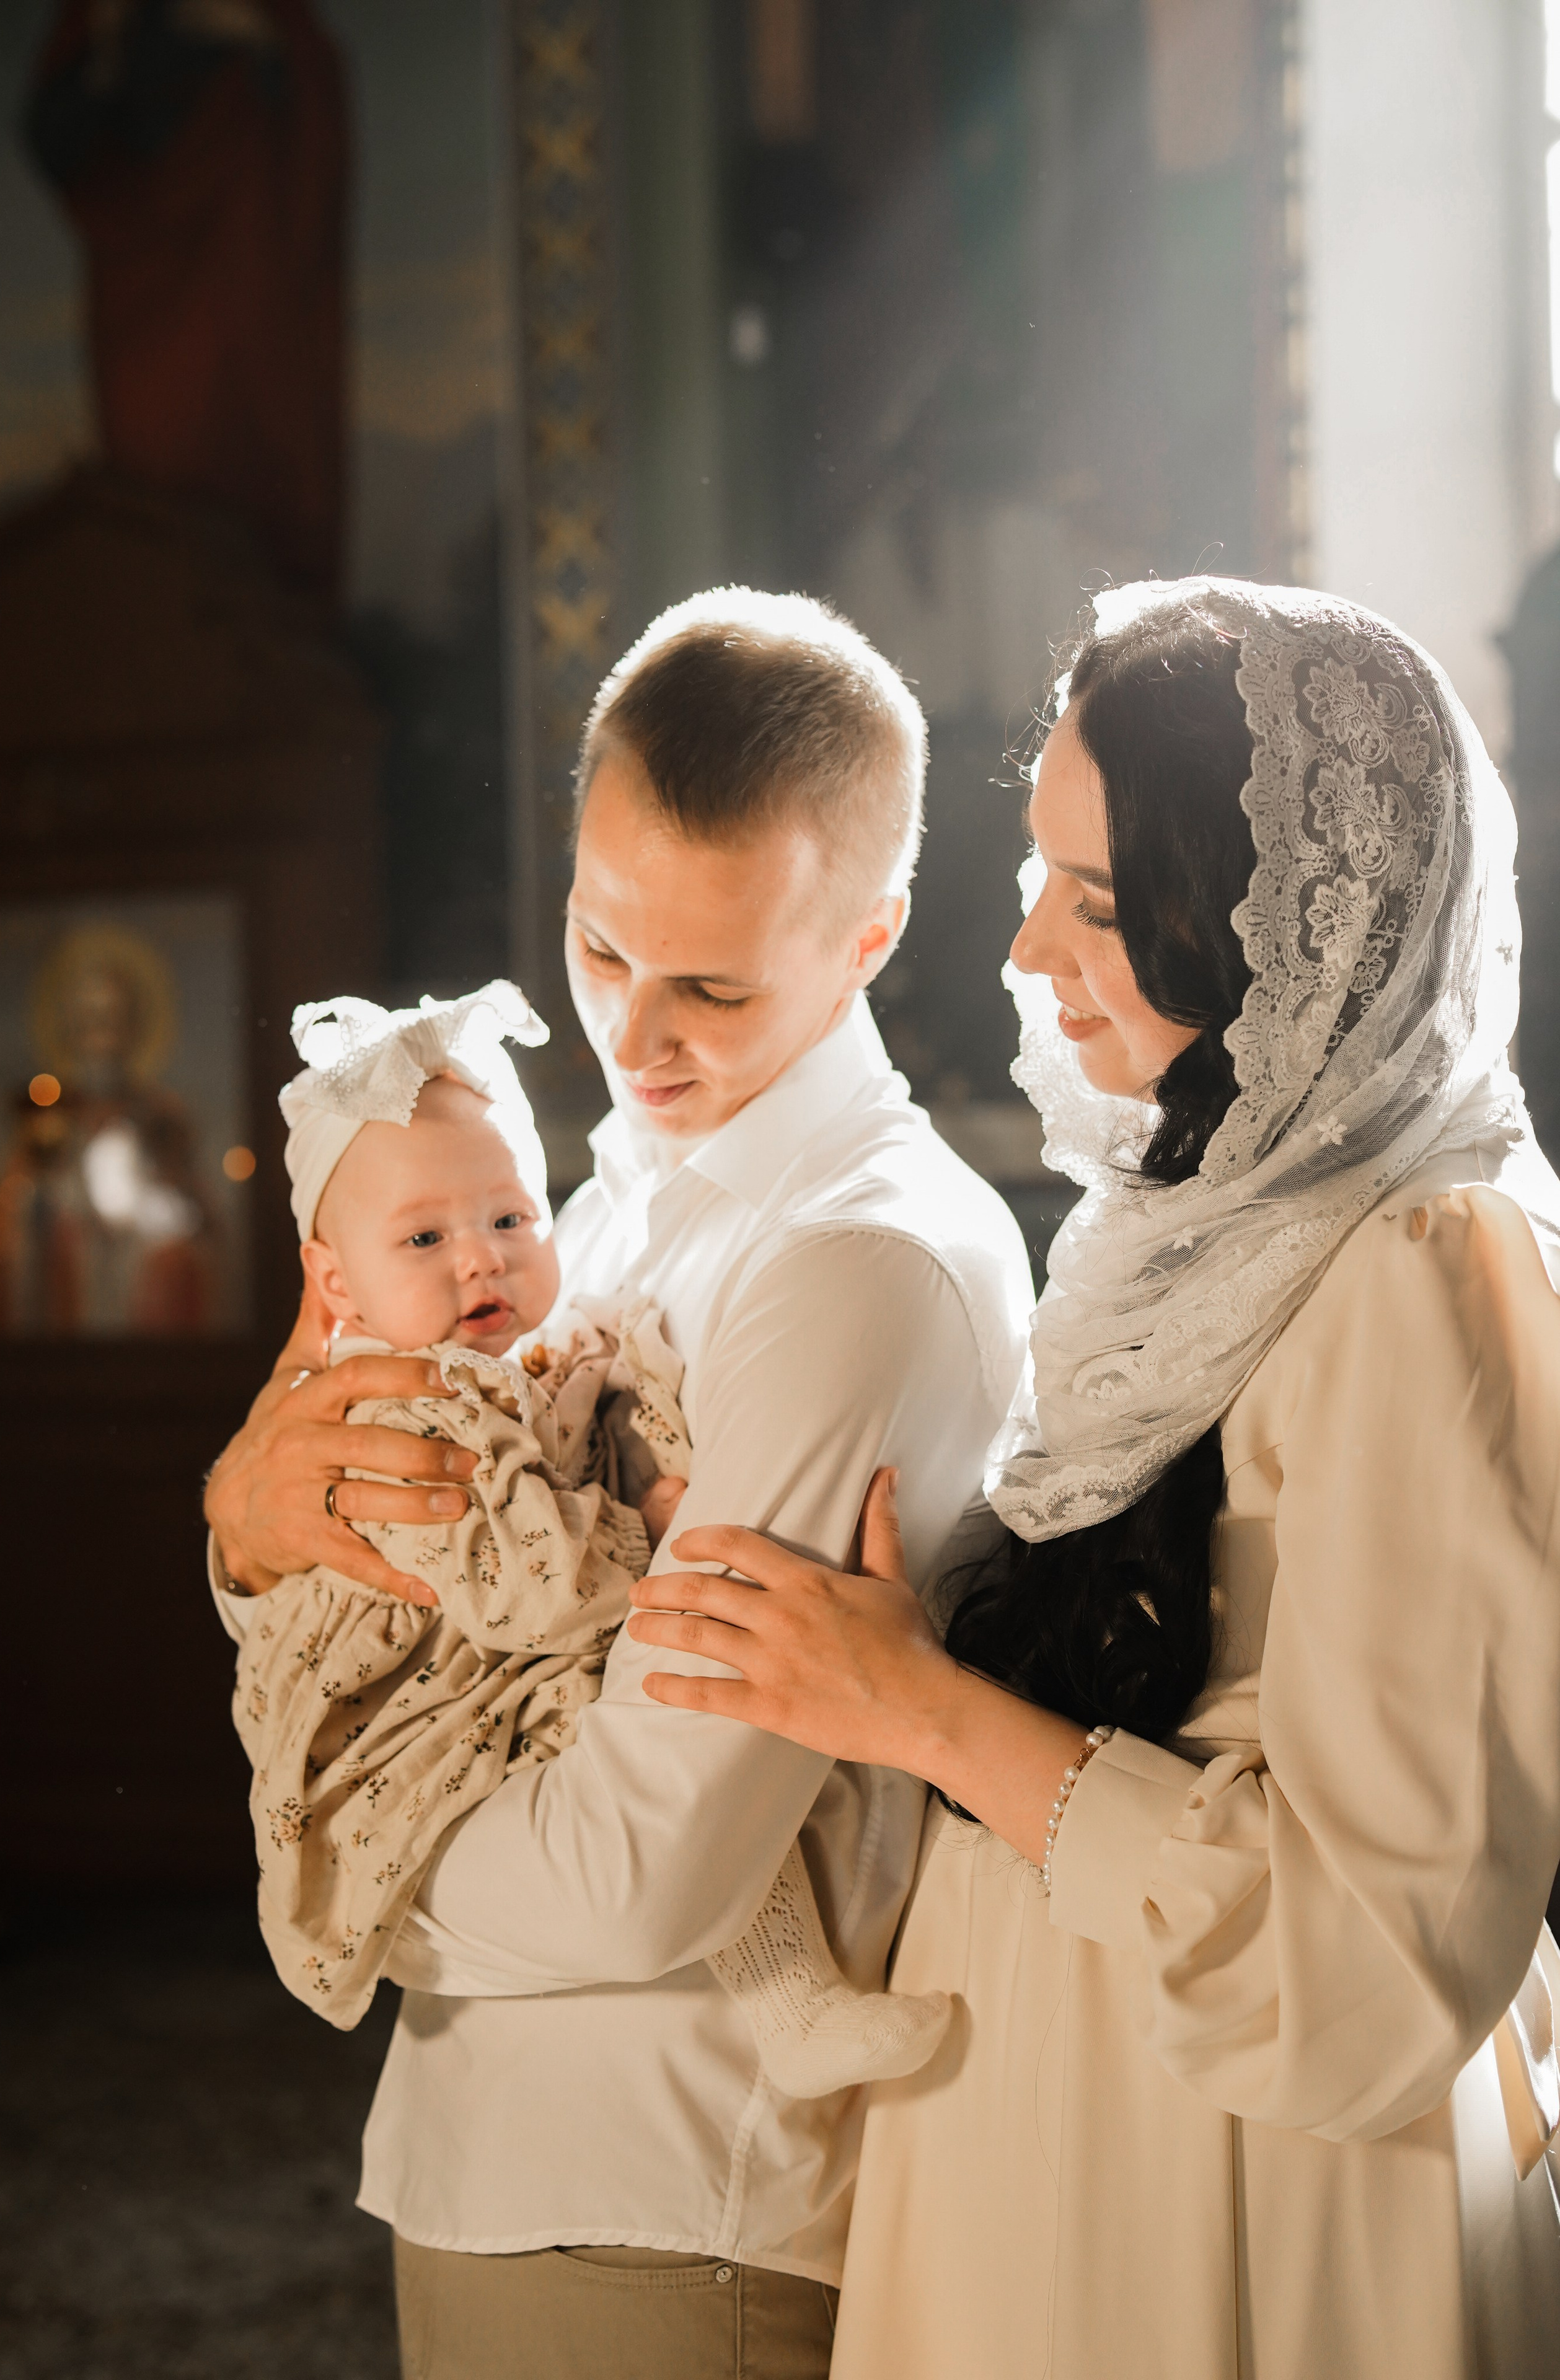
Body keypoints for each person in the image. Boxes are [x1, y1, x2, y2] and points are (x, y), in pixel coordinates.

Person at [627, 578, 1560, 2379]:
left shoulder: (1425, 1266)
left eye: (1105, 903)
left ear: (1284, 929)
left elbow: (1375, 1965)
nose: (1031, 952)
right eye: (1042, 876)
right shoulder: (1194, 1225)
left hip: (1234, 2183)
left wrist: (925, 1714)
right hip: (1046, 2113)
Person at [202, 589, 1033, 2380]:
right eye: (597, 952)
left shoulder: (849, 1262)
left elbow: (643, 1873)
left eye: (712, 986)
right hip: (493, 2154)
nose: (634, 1042)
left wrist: (339, 1865)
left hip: (672, 2193)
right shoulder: (587, 1209)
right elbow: (396, 1537)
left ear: (871, 931)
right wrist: (251, 1530)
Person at [223, 976, 951, 2097]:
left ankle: (796, 2006)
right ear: (336, 1284)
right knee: (618, 1706)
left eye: (510, 1217)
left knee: (643, 1710)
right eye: (424, 1236)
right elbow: (537, 1588)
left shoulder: (519, 1365)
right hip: (410, 1709)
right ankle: (791, 2002)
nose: (482, 1258)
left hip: (486, 1667)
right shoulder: (397, 1409)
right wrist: (656, 1535)